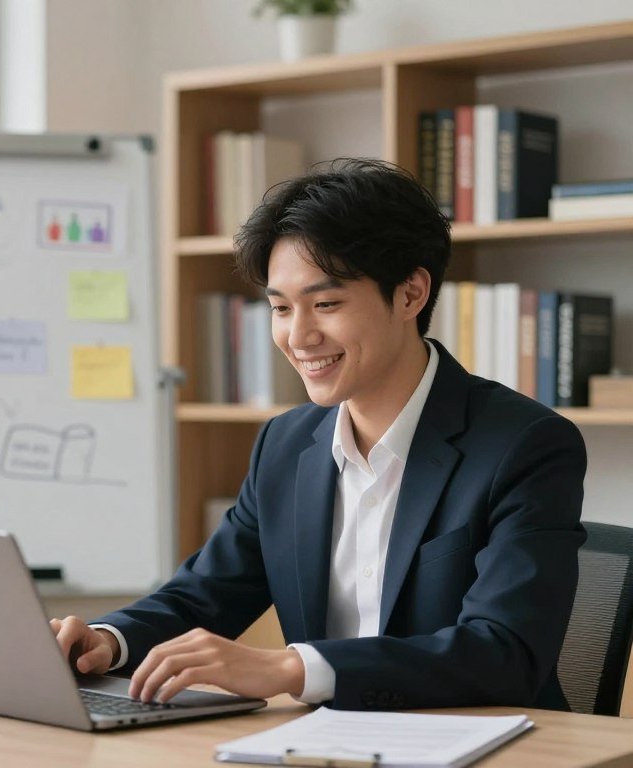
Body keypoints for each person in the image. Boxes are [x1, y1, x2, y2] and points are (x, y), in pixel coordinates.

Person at [51, 158, 587, 711]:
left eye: (326, 304)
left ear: (410, 295)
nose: (299, 336)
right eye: (281, 308)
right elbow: (205, 596)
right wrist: (106, 643)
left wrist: (292, 667)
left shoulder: (525, 445)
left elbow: (505, 652)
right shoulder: (285, 445)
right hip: (323, 744)